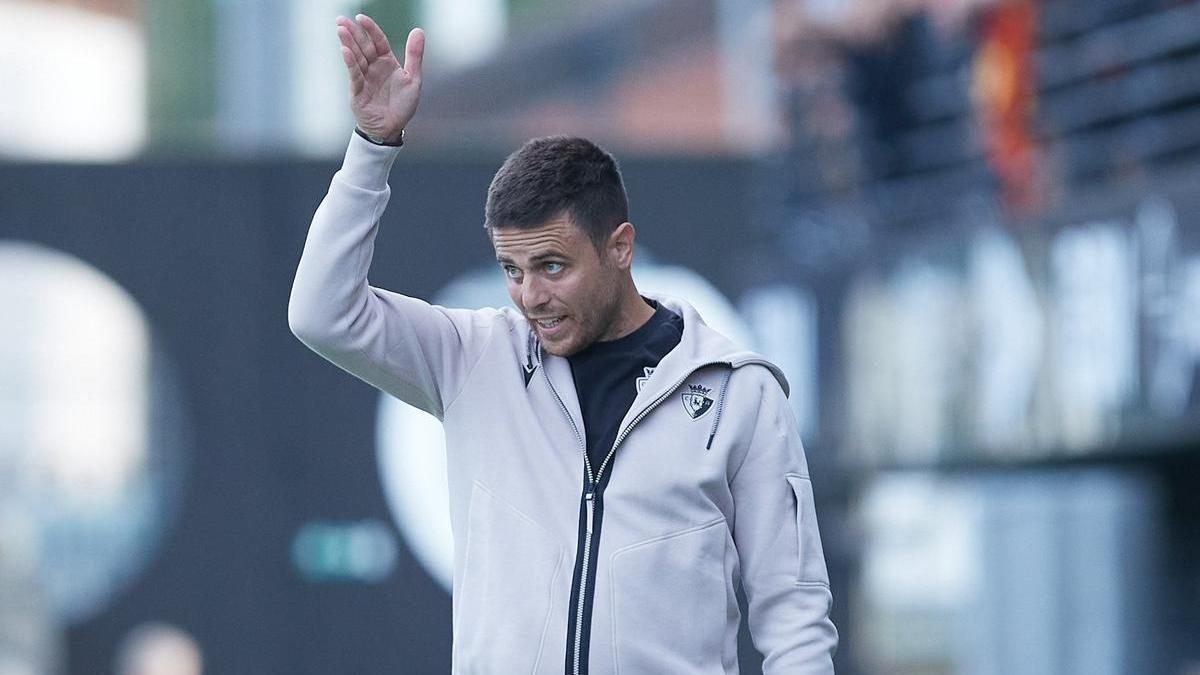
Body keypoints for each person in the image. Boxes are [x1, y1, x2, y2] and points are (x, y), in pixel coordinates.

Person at [288, 14, 838, 674]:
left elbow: (795, 616)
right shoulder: (472, 357)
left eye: (552, 266)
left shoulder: (738, 393)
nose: (529, 296)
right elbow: (321, 312)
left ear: (620, 247)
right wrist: (372, 147)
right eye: (512, 271)